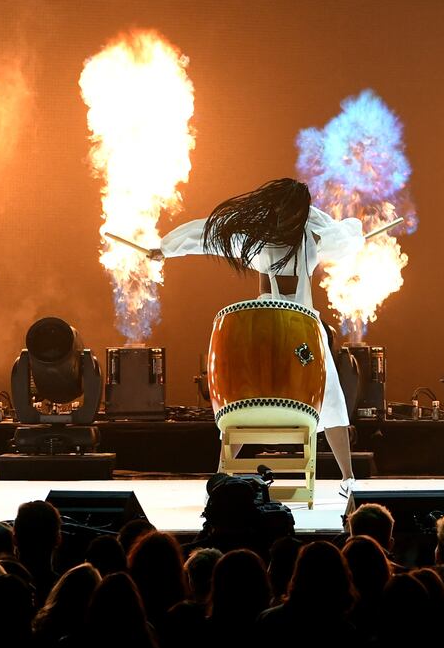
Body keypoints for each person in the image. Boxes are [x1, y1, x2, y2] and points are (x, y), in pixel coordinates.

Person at [155, 178, 366, 495]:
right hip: (275, 330)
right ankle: (222, 473)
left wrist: (319, 220)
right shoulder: (269, 238)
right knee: (248, 395)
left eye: (299, 213)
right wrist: (166, 249)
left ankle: (347, 476)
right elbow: (208, 234)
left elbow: (342, 237)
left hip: (300, 331)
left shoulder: (304, 238)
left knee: (330, 395)